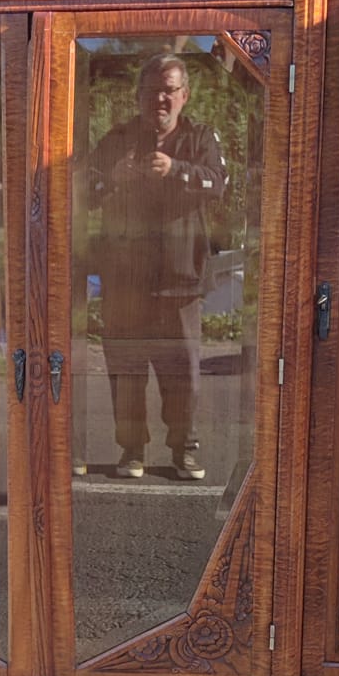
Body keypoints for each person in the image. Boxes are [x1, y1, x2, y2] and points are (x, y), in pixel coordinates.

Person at [89, 54, 227, 481]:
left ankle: (184, 449)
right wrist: (113, 177)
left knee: (181, 372)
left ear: (184, 96)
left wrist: (177, 170)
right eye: (151, 91)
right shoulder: (117, 139)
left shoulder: (201, 138)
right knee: (127, 369)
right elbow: (85, 189)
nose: (160, 99)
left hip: (180, 278)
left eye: (169, 90)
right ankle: (132, 450)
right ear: (139, 96)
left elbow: (218, 183)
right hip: (125, 282)